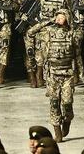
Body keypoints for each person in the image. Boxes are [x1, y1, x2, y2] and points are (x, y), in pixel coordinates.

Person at [30, 9, 81, 142]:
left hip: (67, 74)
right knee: (54, 103)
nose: (58, 18)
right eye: (57, 16)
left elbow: (77, 55)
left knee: (67, 102)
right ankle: (57, 131)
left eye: (62, 16)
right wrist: (48, 21)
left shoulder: (72, 34)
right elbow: (31, 32)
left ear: (67, 19)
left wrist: (79, 74)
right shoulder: (48, 32)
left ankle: (67, 121)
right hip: (52, 73)